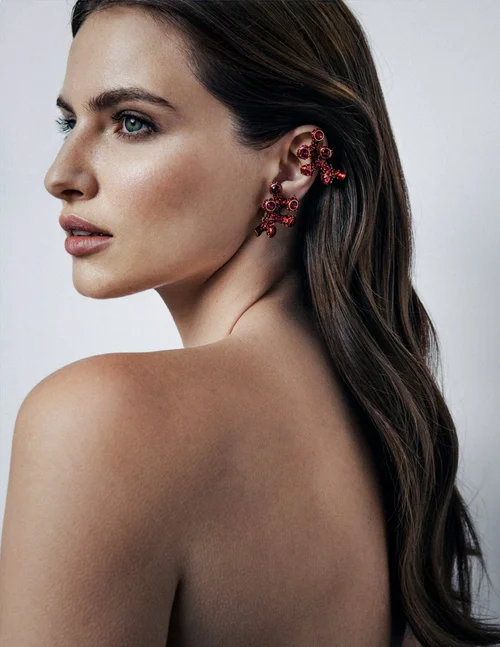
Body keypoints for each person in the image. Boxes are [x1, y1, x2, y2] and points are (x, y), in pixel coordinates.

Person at [0, 1, 498, 645]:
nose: (61, 176)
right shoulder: (384, 424)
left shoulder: (103, 417)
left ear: (295, 164)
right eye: (69, 121)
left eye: (132, 122)